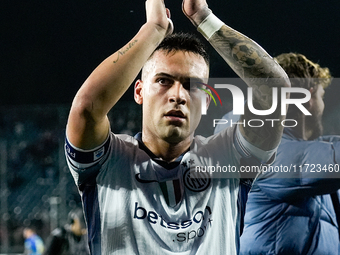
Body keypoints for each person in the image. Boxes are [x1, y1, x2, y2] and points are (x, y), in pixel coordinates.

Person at [65, 0, 290, 254]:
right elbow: (86, 108)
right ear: (139, 92)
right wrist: (153, 30)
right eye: (163, 81)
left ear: (206, 102)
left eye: (192, 86)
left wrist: (204, 17)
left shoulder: (229, 159)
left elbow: (274, 88)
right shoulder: (109, 162)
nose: (178, 95)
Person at [238, 53, 340, 255]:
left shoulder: (312, 150)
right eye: (321, 96)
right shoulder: (263, 149)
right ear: (308, 99)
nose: (323, 104)